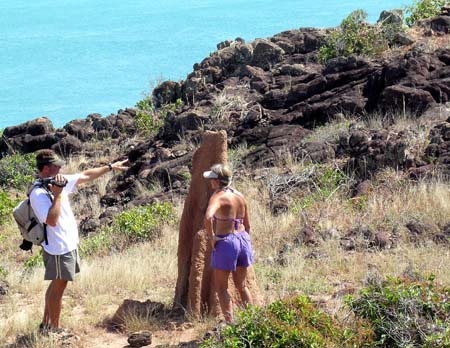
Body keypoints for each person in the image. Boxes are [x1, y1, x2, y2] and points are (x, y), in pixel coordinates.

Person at [29, 149, 128, 332]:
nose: (60, 169)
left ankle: (46, 324)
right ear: (45, 169)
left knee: (56, 284)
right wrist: (58, 195)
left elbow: (84, 175)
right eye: (56, 166)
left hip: (66, 243)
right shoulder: (38, 194)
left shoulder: (56, 182)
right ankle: (55, 329)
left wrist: (109, 167)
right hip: (58, 247)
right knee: (59, 286)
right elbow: (51, 221)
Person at [203, 163, 254, 323]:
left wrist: (212, 238)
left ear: (218, 181)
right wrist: (244, 241)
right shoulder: (240, 195)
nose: (210, 182)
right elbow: (248, 224)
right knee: (242, 286)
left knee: (222, 287)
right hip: (243, 239)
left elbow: (208, 217)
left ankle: (230, 325)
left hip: (226, 242)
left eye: (212, 179)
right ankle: (253, 322)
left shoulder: (218, 197)